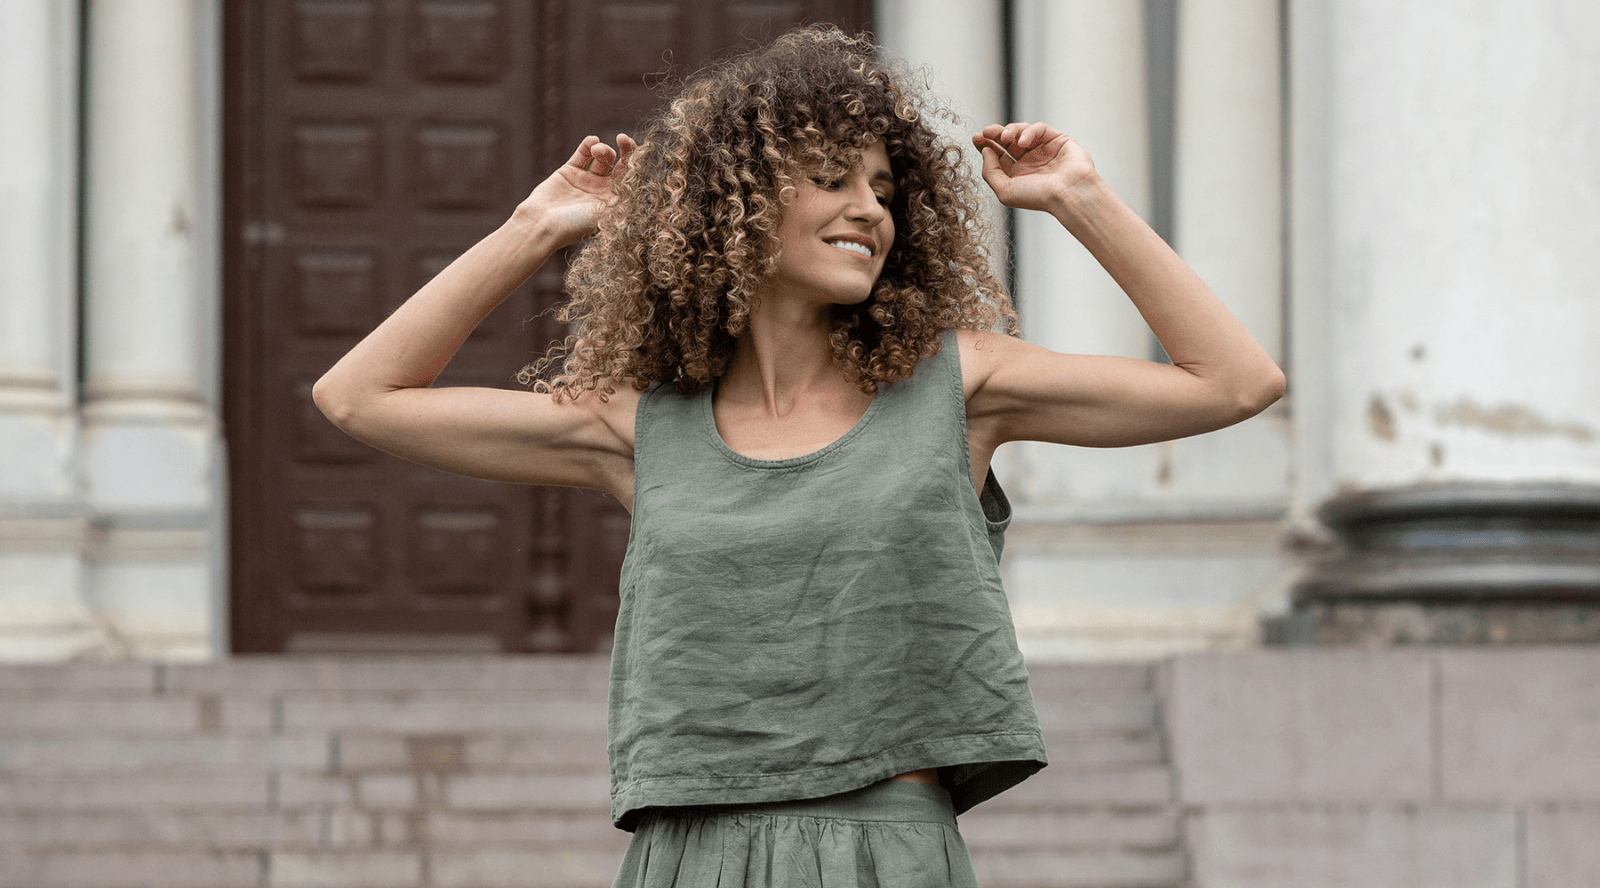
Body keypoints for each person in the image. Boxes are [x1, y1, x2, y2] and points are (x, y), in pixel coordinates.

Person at [313, 25, 1284, 888]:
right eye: (831, 179)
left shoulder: (962, 385)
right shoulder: (641, 427)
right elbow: (360, 397)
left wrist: (1080, 199)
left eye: (884, 189)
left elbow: (1234, 382)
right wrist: (537, 227)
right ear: (732, 206)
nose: (870, 209)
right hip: (688, 852)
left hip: (883, 849)